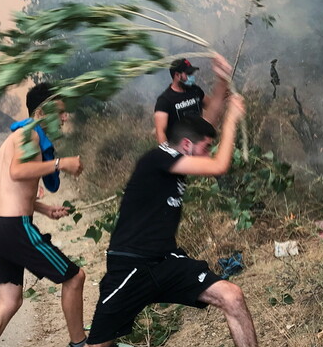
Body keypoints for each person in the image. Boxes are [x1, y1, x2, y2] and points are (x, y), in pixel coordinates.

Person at [86, 94, 256, 347]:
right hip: (131, 265)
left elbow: (203, 124)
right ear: (186, 145)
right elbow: (220, 166)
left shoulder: (177, 153)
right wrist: (232, 119)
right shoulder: (158, 158)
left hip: (166, 261)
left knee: (232, 296)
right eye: (207, 149)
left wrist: (221, 84)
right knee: (99, 344)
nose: (208, 155)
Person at [0, 83, 87, 347]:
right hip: (14, 228)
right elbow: (16, 172)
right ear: (42, 111)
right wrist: (62, 163)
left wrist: (43, 208)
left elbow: (9, 189)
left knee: (9, 301)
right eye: (60, 111)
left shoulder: (15, 137)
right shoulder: (29, 136)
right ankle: (80, 343)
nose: (64, 117)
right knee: (74, 277)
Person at [153, 54, 231, 144]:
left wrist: (220, 95)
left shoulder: (195, 90)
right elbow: (160, 132)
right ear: (177, 75)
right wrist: (169, 155)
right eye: (188, 74)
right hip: (180, 150)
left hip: (199, 146)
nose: (191, 77)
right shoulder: (165, 100)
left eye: (191, 73)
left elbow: (211, 107)